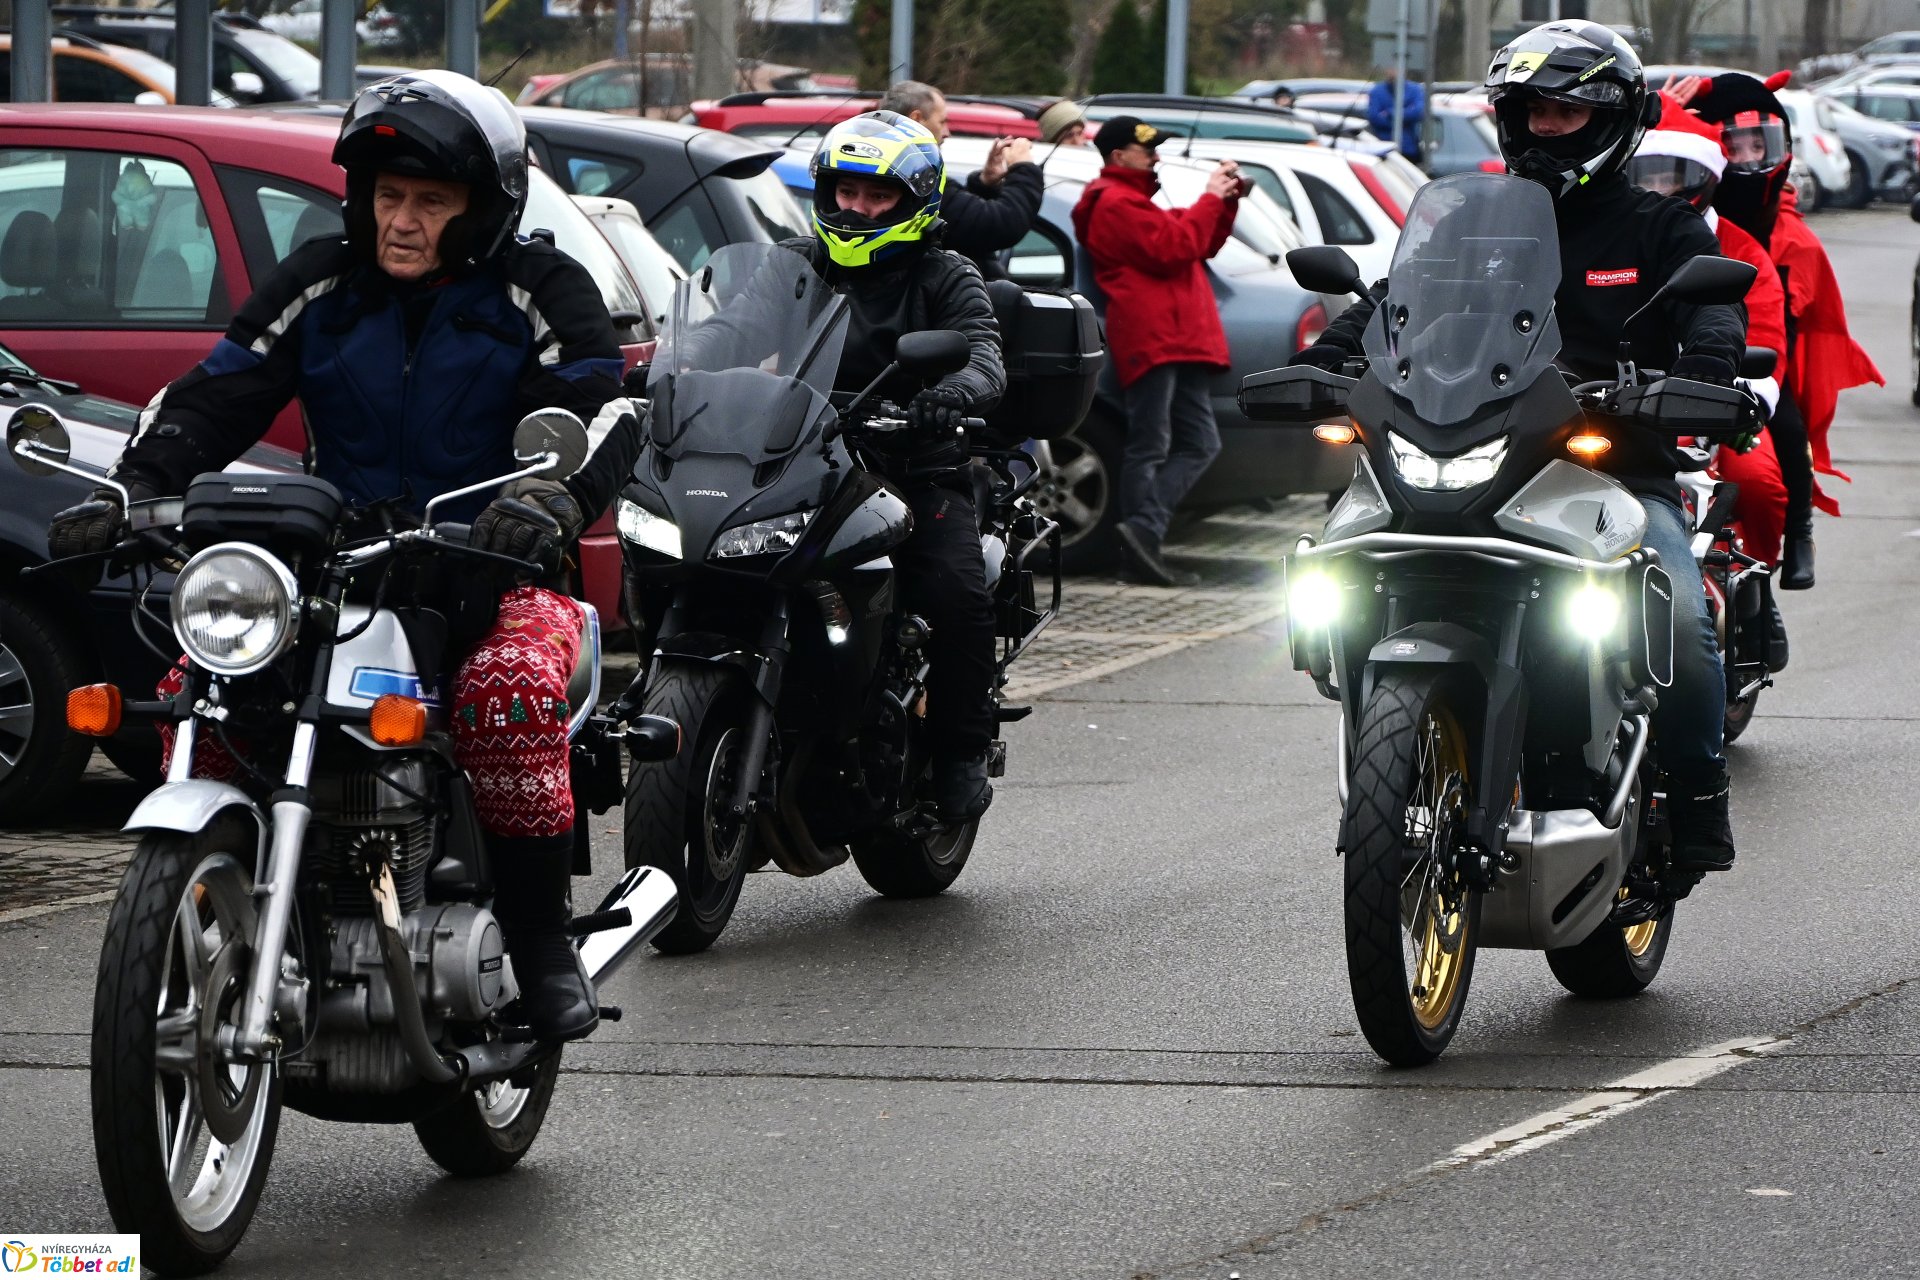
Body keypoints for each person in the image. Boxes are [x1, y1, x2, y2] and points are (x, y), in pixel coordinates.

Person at [45, 71, 641, 1042]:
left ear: (482, 208)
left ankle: (539, 941)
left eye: (430, 202)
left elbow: (603, 405)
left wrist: (548, 497)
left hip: (495, 567)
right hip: (336, 567)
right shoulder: (322, 280)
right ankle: (219, 902)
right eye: (386, 196)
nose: (401, 220)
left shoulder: (539, 289)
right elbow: (219, 389)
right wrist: (131, 488)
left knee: (507, 698)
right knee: (205, 691)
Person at [1294, 21, 1747, 882]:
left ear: (1617, 119)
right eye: (1527, 111)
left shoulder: (1663, 229)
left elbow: (1714, 314)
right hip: (1468, 454)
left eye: (1563, 113)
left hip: (1608, 468)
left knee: (1683, 622)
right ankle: (1396, 744)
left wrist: (1706, 371)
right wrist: (1323, 361)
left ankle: (1696, 798)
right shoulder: (1465, 220)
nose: (1542, 127)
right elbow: (1392, 303)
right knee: (1337, 561)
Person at [801, 111, 1007, 819]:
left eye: (877, 196)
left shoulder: (946, 274)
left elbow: (983, 353)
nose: (856, 209)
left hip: (913, 470)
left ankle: (960, 750)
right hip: (805, 465)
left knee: (954, 592)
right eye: (845, 193)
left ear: (915, 201)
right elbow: (724, 334)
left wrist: (949, 395)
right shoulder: (797, 266)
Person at [1685, 70, 1882, 590]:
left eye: (1762, 144)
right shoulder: (1688, 207)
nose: (1751, 159)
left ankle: (1796, 536)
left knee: (1789, 429)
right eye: (1737, 146)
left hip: (1765, 357)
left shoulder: (1791, 235)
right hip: (1693, 354)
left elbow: (1796, 319)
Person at [1628, 91, 1792, 672]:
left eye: (1676, 176)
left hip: (1717, 404)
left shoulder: (1743, 249)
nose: (1662, 189)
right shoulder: (1614, 233)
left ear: (1706, 177)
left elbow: (1768, 333)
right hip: (1621, 408)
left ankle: (1755, 590)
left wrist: (1736, 400)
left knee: (1759, 482)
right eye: (1648, 175)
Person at [1071, 115, 1245, 588]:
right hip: (1153, 338)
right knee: (1151, 444)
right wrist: (1209, 196)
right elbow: (1174, 245)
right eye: (1145, 149)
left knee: (1197, 442)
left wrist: (1223, 203)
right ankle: (1140, 541)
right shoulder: (1112, 203)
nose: (1155, 156)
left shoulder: (1135, 203)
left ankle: (1142, 534)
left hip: (1176, 338)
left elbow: (1199, 242)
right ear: (1117, 156)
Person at [878, 80, 1043, 280]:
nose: (947, 132)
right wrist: (1023, 167)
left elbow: (963, 227)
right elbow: (1001, 224)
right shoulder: (916, 185)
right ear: (917, 119)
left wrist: (984, 183)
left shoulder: (900, 174)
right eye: (942, 122)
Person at [1367, 65, 1425, 160]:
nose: (1393, 71)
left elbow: (1417, 112)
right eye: (1391, 67)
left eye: (1397, 67)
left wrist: (1390, 113)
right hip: (1383, 150)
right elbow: (1375, 118)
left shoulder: (1415, 90)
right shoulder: (1377, 91)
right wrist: (1404, 118)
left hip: (1409, 150)